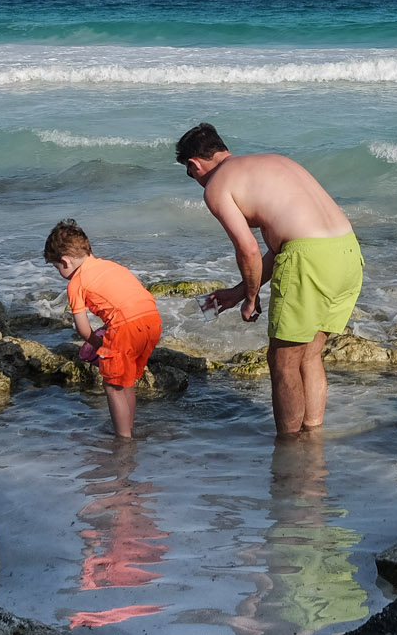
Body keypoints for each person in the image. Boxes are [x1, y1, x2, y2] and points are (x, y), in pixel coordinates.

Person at [177, 123, 362, 435]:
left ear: (195, 164)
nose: (193, 179)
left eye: (188, 173)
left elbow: (249, 249)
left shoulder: (217, 186)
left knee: (283, 361)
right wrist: (239, 291)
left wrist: (251, 299)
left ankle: (289, 449)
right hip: (347, 252)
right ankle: (312, 439)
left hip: (309, 258)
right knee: (309, 356)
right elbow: (285, 244)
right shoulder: (273, 163)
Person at [44, 219, 163, 439]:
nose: (59, 271)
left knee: (112, 385)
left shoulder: (75, 283)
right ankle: (128, 426)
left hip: (125, 327)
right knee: (125, 382)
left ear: (65, 261)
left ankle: (123, 438)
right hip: (152, 321)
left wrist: (99, 345)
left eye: (56, 267)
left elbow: (82, 329)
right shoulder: (111, 266)